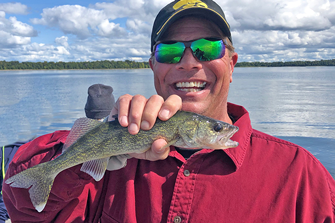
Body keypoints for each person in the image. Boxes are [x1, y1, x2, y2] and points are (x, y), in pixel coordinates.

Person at [3, 0, 335, 222]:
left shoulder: (300, 174)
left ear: (231, 64)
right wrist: (102, 137)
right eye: (171, 51)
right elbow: (25, 208)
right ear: (153, 66)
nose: (190, 62)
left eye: (208, 48)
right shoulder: (117, 154)